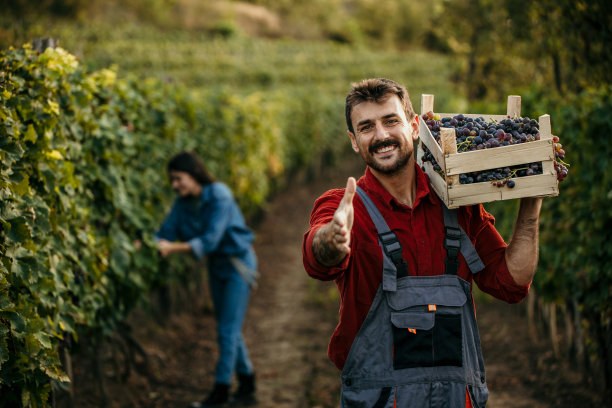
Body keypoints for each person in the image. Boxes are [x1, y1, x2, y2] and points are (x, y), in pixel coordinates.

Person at [302, 78, 542, 408]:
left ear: (414, 127)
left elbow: (510, 283)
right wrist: (334, 237)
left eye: (390, 121)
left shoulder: (458, 205)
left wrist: (531, 203)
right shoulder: (345, 205)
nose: (381, 135)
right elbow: (317, 256)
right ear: (354, 142)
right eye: (367, 127)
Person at [156, 151, 258, 407]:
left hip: (238, 265)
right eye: (173, 180)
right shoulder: (183, 203)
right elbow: (165, 232)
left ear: (193, 175)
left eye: (178, 178)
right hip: (217, 268)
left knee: (226, 330)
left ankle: (220, 391)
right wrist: (146, 243)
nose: (175, 185)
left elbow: (210, 241)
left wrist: (171, 248)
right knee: (228, 327)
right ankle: (247, 381)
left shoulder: (219, 195)